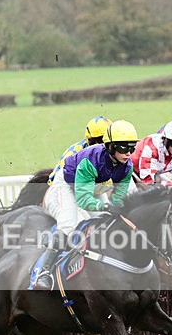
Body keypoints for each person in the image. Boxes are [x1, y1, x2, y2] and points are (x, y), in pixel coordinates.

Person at [35, 120, 139, 290]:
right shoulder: (91, 160)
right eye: (123, 148)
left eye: (131, 148)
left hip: (93, 186)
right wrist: (106, 206)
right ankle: (44, 273)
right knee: (69, 226)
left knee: (107, 223)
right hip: (67, 186)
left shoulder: (127, 167)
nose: (128, 153)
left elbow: (118, 198)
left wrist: (117, 207)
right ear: (111, 146)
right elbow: (83, 200)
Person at [48, 116, 113, 184]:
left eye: (103, 140)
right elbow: (56, 178)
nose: (100, 145)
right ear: (90, 140)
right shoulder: (74, 152)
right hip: (64, 184)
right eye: (101, 140)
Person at [132, 120, 172, 185]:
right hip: (132, 171)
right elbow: (147, 179)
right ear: (166, 140)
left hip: (155, 173)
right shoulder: (151, 147)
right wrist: (167, 184)